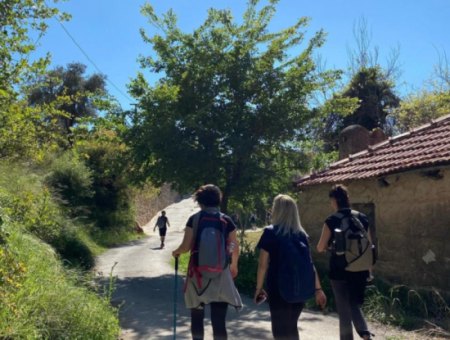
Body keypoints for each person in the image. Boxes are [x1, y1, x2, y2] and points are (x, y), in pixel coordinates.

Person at [173, 184, 242, 340]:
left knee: (196, 319)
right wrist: (232, 262)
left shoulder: (194, 219)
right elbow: (233, 245)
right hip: (221, 272)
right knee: (219, 322)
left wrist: (176, 252)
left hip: (197, 275)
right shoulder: (227, 220)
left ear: (200, 200)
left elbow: (185, 247)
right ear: (218, 200)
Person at [255, 194, 327, 340]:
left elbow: (262, 265)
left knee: (280, 331)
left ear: (278, 210)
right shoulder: (301, 235)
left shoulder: (270, 232)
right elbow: (310, 264)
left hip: (278, 288)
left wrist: (258, 288)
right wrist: (318, 289)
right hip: (300, 288)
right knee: (291, 326)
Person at [317, 184, 374, 340]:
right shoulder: (361, 217)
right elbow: (369, 244)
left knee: (344, 311)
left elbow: (320, 247)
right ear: (347, 199)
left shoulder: (331, 220)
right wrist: (369, 270)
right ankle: (365, 334)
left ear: (334, 200)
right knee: (354, 303)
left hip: (339, 270)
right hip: (360, 269)